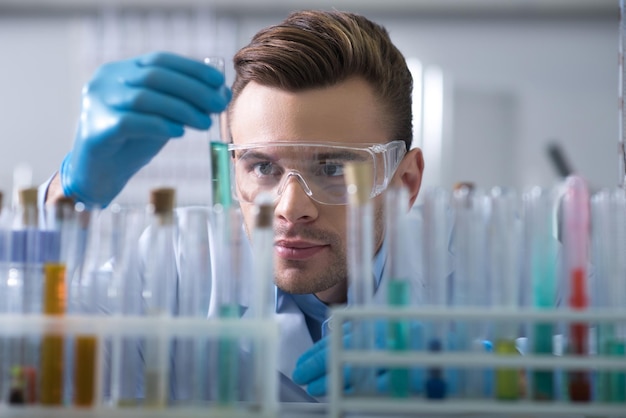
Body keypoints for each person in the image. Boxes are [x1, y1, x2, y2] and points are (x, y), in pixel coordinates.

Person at [43, 9, 425, 398]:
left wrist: (486, 379)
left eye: (333, 168)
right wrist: (70, 195)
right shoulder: (178, 260)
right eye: (262, 167)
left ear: (405, 182)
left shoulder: (474, 281)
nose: (290, 208)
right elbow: (39, 364)